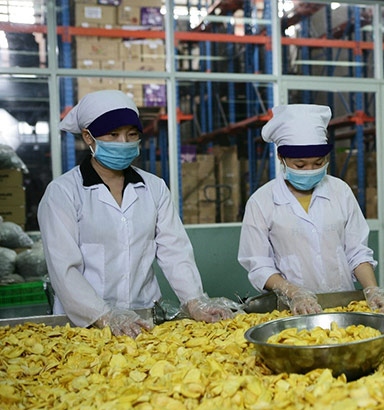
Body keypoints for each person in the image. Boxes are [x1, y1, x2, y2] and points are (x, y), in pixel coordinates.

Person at [38, 90, 239, 338]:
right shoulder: (63, 193)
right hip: (84, 325)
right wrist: (105, 315)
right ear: (88, 137)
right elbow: (64, 270)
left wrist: (194, 300)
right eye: (113, 134)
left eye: (131, 135)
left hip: (145, 318)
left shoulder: (153, 187)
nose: (124, 142)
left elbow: (174, 251)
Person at [238, 104, 384, 315]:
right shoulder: (262, 202)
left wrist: (372, 289)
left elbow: (356, 252)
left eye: (318, 163)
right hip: (293, 310)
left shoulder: (340, 191)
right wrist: (293, 292)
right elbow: (259, 265)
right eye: (300, 165)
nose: (310, 171)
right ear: (281, 158)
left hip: (344, 306)